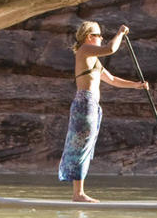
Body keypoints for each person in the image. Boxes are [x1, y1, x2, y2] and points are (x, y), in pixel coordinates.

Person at [58, 21, 149, 202]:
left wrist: (137, 86)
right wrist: (121, 33)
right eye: (99, 35)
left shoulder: (93, 60)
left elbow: (112, 79)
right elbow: (110, 49)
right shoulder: (84, 50)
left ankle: (79, 193)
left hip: (92, 106)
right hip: (85, 104)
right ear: (89, 37)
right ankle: (78, 194)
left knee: (86, 146)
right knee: (81, 146)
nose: (101, 38)